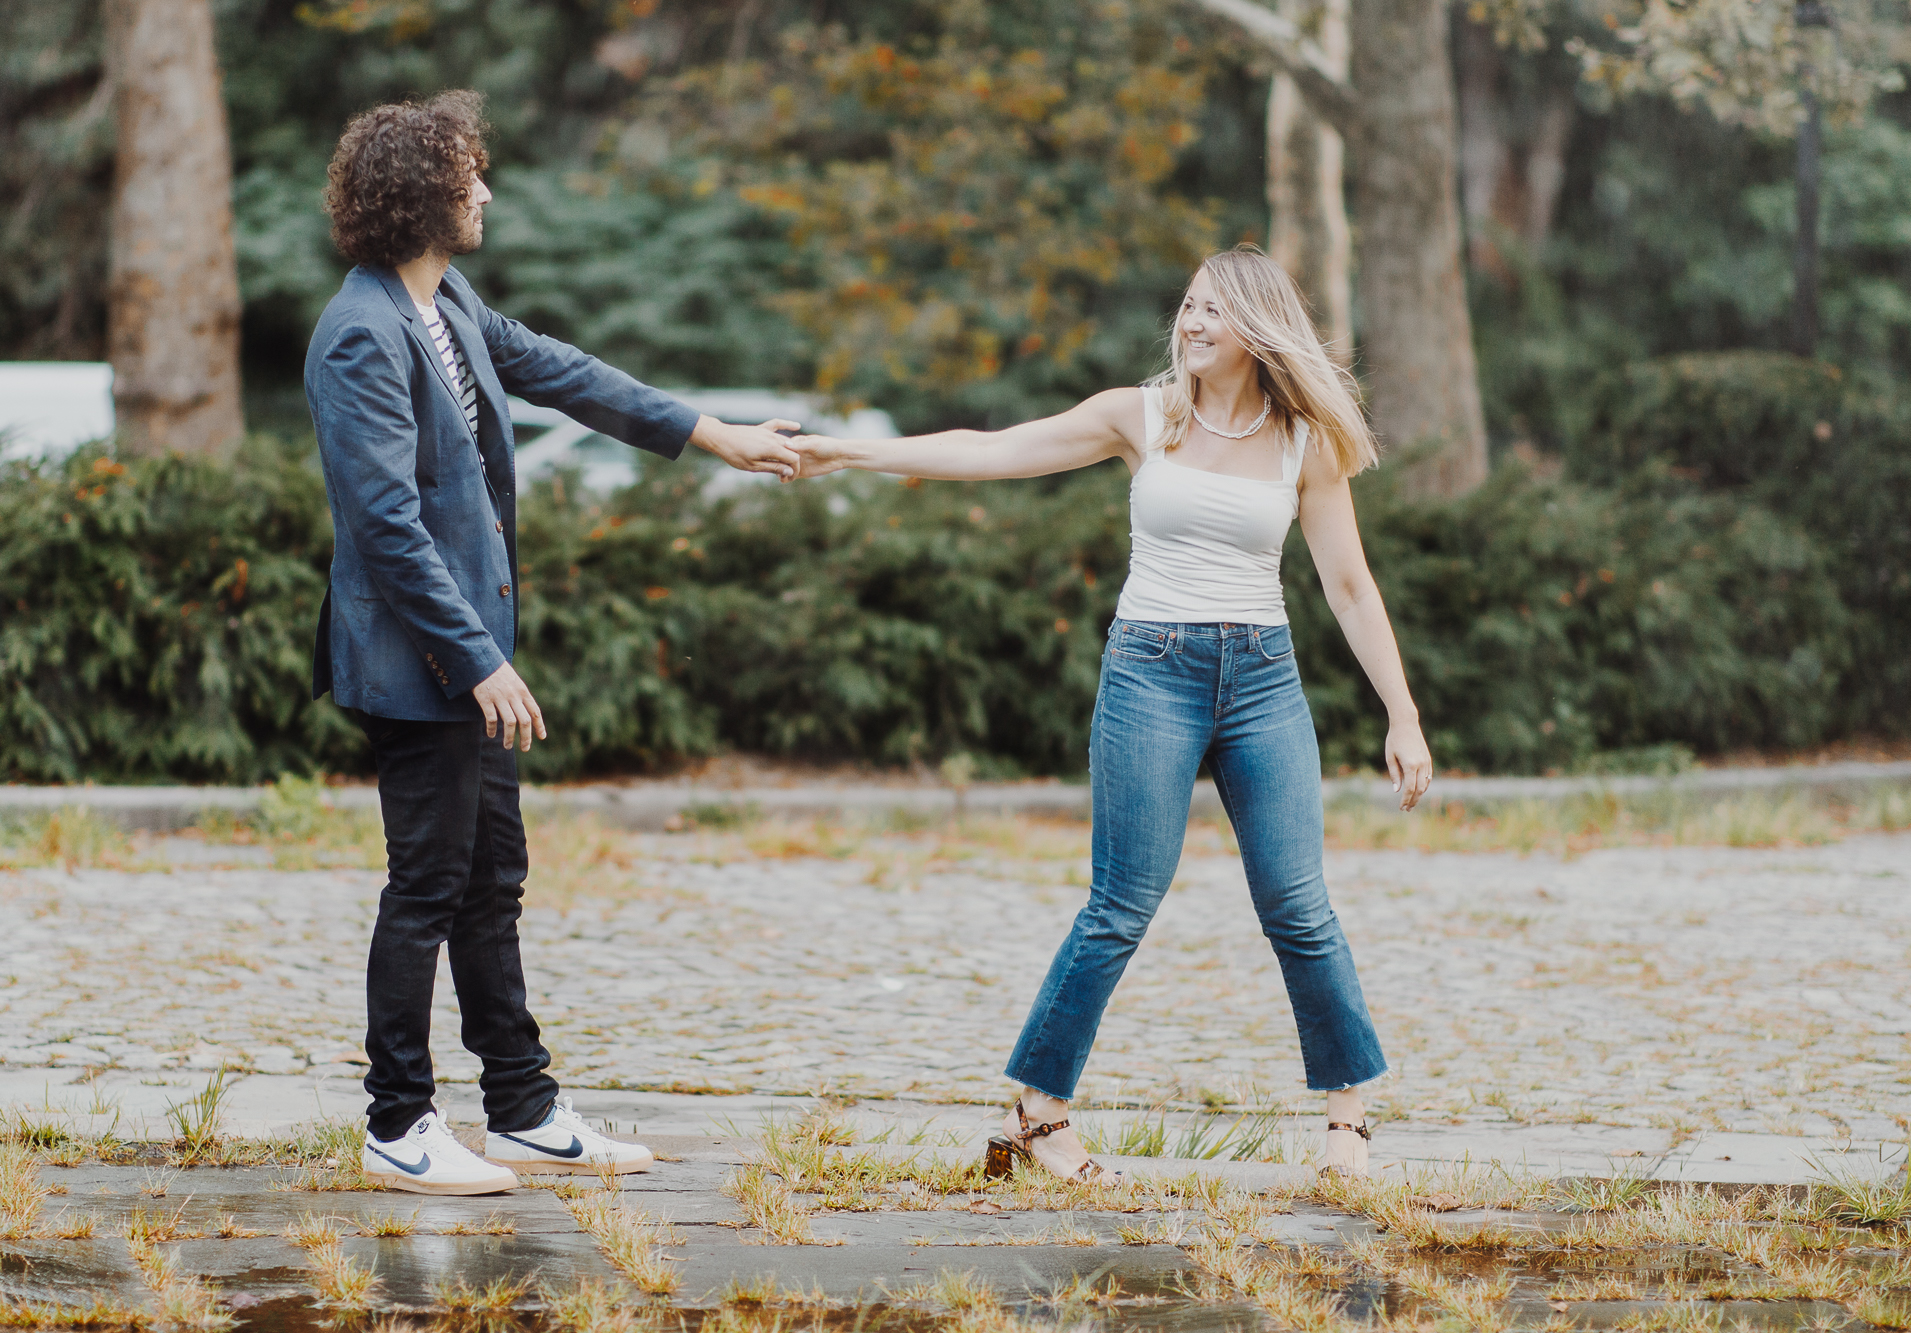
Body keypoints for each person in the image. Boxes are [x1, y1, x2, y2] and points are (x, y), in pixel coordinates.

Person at [793, 245, 1432, 1180]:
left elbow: (1348, 582)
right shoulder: (1142, 415)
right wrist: (844, 450)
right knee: (1120, 903)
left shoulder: (1305, 440)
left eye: (1214, 310)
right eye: (1187, 305)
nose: (1192, 322)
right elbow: (994, 450)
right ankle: (1039, 1112)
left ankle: (1348, 1117)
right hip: (1152, 673)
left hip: (1261, 678)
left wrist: (1401, 714)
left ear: (1257, 325)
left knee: (1298, 903)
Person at [306, 90, 801, 1195]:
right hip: (420, 662)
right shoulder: (359, 333)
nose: (485, 191)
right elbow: (385, 525)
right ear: (419, 194)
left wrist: (709, 431)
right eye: (469, 174)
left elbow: (560, 369)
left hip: (467, 655)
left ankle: (522, 1107)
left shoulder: (444, 301)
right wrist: (477, 658)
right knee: (427, 887)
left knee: (493, 883)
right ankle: (398, 1121)